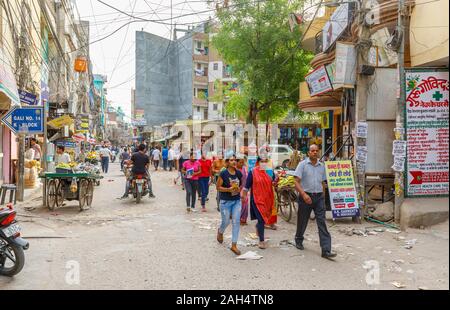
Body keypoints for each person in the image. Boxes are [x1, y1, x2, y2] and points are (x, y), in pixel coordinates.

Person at [293, 144, 336, 259]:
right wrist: (303, 194)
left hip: (318, 198)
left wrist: (323, 195)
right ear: (308, 153)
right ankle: (298, 239)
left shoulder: (322, 166)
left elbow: (323, 182)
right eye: (312, 151)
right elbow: (296, 182)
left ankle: (326, 250)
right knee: (302, 221)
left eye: (317, 151)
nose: (315, 152)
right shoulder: (302, 165)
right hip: (305, 197)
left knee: (321, 222)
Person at [241, 156, 275, 249]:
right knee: (261, 219)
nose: (264, 163)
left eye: (265, 161)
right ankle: (261, 240)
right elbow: (246, 186)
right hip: (257, 199)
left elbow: (274, 182)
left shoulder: (270, 171)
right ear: (258, 162)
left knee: (263, 220)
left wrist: (276, 180)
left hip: (267, 199)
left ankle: (258, 227)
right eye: (262, 161)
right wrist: (243, 195)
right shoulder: (253, 172)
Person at [216, 155, 243, 255]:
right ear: (228, 162)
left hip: (236, 201)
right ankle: (220, 231)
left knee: (236, 222)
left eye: (235, 160)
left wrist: (239, 189)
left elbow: (241, 184)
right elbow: (218, 187)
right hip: (225, 202)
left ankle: (234, 245)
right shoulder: (224, 173)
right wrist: (228, 189)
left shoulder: (239, 173)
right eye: (231, 160)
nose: (234, 162)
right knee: (226, 222)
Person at [237, 157, 249, 225]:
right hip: (237, 189)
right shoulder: (234, 170)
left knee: (245, 203)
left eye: (242, 162)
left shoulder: (244, 168)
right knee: (238, 204)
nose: (241, 164)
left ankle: (243, 219)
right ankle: (238, 218)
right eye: (240, 162)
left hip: (244, 189)